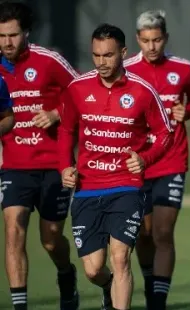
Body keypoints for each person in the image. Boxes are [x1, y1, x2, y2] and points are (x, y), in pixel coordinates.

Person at [58, 23, 173, 310]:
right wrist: (64, 166)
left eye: (108, 55)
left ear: (122, 52)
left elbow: (164, 134)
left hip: (126, 186)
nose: (101, 62)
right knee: (94, 269)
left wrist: (145, 159)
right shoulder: (77, 87)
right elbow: (66, 131)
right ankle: (108, 288)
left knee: (120, 258)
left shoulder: (142, 90)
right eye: (96, 55)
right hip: (87, 187)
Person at [0, 2, 80, 309]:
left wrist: (56, 113)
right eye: (2, 36)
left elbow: (86, 95)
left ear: (26, 33)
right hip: (15, 167)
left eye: (13, 35)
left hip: (53, 164)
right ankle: (20, 305)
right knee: (13, 228)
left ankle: (66, 272)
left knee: (50, 239)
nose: (7, 42)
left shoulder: (49, 60)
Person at [124, 10, 190, 309]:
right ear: (137, 40)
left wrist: (189, 111)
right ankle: (150, 285)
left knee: (163, 232)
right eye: (145, 40)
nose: (152, 46)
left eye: (157, 39)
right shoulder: (127, 69)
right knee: (142, 234)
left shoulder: (182, 68)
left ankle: (158, 301)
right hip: (139, 161)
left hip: (172, 161)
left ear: (165, 38)